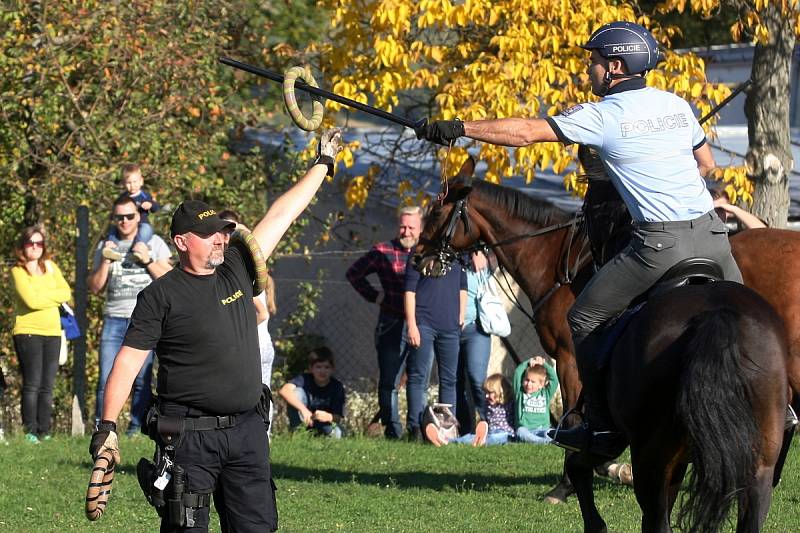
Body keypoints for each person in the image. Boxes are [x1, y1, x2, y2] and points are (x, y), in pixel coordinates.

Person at [416, 21, 743, 456]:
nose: (589, 69)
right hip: (713, 237)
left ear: (615, 67)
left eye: (593, 61)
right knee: (743, 317)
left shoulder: (602, 114)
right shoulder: (676, 104)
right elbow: (705, 165)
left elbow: (525, 133)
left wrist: (458, 128)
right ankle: (782, 407)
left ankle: (601, 424)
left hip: (660, 245)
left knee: (583, 318)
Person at [89, 128, 343, 532]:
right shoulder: (161, 295)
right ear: (181, 242)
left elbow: (281, 214)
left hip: (246, 431)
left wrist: (322, 163)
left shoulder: (237, 269)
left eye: (222, 231)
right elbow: (127, 361)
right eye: (209, 235)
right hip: (188, 439)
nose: (221, 240)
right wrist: (106, 428)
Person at [88, 196, 172, 436]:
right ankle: (102, 428)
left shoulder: (154, 242)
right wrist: (104, 261)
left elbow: (169, 279)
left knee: (141, 379)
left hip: (145, 322)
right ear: (113, 218)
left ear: (139, 216)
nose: (124, 221)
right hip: (114, 319)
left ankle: (137, 427)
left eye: (129, 216)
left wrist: (147, 259)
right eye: (119, 217)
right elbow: (94, 287)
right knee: (106, 378)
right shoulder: (106, 245)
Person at [346, 206, 422, 439]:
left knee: (417, 378)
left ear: (421, 229)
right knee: (390, 380)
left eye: (411, 227)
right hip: (391, 322)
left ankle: (417, 429)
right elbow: (354, 273)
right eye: (402, 226)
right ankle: (393, 431)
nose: (406, 231)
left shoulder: (426, 252)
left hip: (422, 323)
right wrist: (376, 296)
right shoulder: (383, 250)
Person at [11, 225, 72, 442]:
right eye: (30, 243)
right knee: (32, 383)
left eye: (39, 243)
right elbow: (31, 301)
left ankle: (45, 430)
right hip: (28, 333)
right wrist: (53, 295)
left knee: (47, 385)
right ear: (23, 247)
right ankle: (30, 430)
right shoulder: (18, 271)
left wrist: (44, 293)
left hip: (53, 332)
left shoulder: (51, 266)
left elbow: (66, 292)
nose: (35, 247)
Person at [404, 250, 467, 441]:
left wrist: (461, 315)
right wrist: (412, 325)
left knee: (449, 379)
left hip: (450, 327)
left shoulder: (458, 256)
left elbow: (462, 287)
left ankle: (447, 430)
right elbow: (409, 291)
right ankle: (416, 429)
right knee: (418, 377)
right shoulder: (420, 254)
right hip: (424, 324)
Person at [455, 251, 492, 434]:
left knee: (477, 379)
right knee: (454, 382)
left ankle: (487, 424)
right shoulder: (447, 259)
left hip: (476, 328)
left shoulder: (479, 255)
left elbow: (506, 248)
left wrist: (488, 257)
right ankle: (463, 429)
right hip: (449, 329)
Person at [426, 373, 515, 446]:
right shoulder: (488, 405)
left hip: (506, 434)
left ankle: (479, 441)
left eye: (490, 393)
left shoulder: (510, 404)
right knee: (470, 436)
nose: (486, 396)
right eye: (486, 392)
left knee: (494, 438)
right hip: (490, 432)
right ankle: (446, 440)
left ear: (500, 391)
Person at [278, 347, 346, 438]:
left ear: (332, 369)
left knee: (338, 434)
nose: (322, 371)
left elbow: (338, 417)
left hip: (326, 424)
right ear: (311, 368)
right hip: (305, 421)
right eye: (318, 367)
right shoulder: (304, 379)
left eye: (327, 367)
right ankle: (297, 432)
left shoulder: (337, 387)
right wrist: (304, 410)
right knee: (296, 392)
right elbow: (284, 391)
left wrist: (328, 417)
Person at [103, 164, 160, 262]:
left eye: (135, 182)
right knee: (113, 228)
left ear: (141, 181)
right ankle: (111, 248)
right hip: (125, 225)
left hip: (141, 223)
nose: (132, 185)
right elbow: (116, 209)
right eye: (129, 183)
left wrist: (150, 205)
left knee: (147, 229)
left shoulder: (145, 196)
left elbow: (156, 207)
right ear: (123, 184)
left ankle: (139, 247)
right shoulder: (123, 197)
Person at [513, 356, 558, 444]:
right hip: (526, 429)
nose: (529, 384)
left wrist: (544, 364)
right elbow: (517, 373)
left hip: (542, 429)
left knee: (551, 432)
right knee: (520, 432)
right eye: (527, 380)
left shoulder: (545, 393)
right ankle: (543, 442)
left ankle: (544, 440)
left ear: (541, 384)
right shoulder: (520, 393)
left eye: (533, 382)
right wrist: (528, 362)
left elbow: (554, 380)